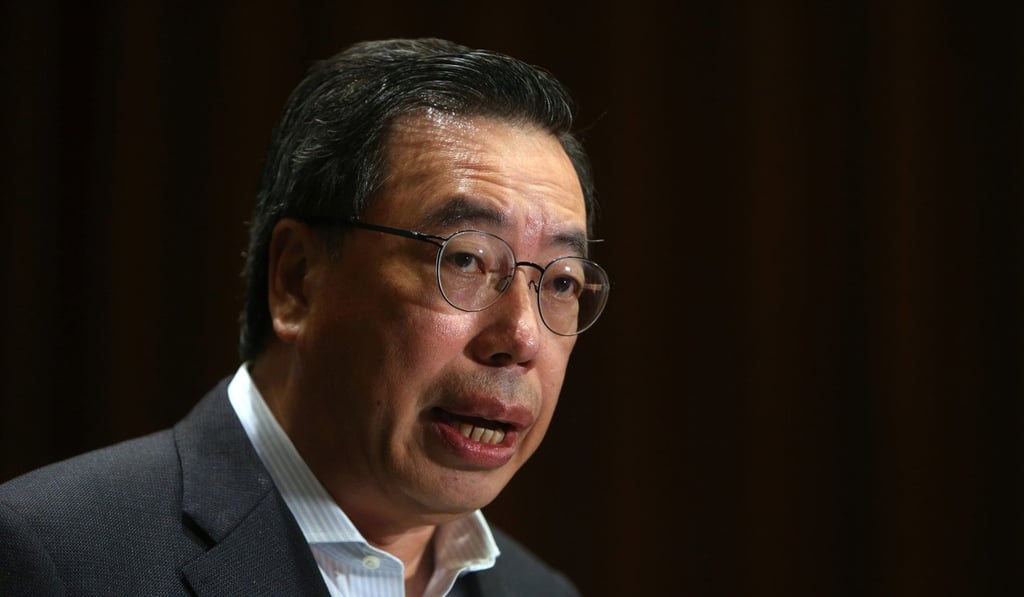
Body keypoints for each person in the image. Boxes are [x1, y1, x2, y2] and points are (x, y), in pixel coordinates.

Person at [0, 37, 611, 596]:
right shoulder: (52, 558)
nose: (523, 336)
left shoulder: (542, 592)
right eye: (467, 261)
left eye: (560, 282)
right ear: (297, 280)